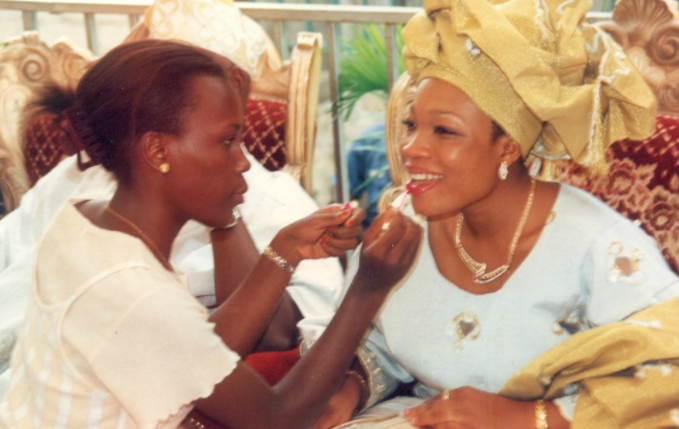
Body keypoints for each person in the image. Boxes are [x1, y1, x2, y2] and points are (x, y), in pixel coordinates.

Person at [0, 39, 423, 428]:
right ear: (158, 152)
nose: (243, 162)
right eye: (227, 141)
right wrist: (366, 289)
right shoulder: (133, 291)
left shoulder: (82, 219)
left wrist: (285, 250)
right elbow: (276, 417)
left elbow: (194, 351)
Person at [307, 0, 679, 428]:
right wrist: (352, 386)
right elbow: (382, 343)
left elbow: (666, 372)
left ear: (508, 148)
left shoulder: (598, 248)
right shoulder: (406, 233)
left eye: (444, 130)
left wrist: (531, 417)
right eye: (411, 125)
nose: (410, 148)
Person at [0, 0, 338, 398]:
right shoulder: (78, 180)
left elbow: (290, 340)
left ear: (231, 83)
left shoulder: (279, 204)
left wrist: (230, 220)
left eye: (168, 74)